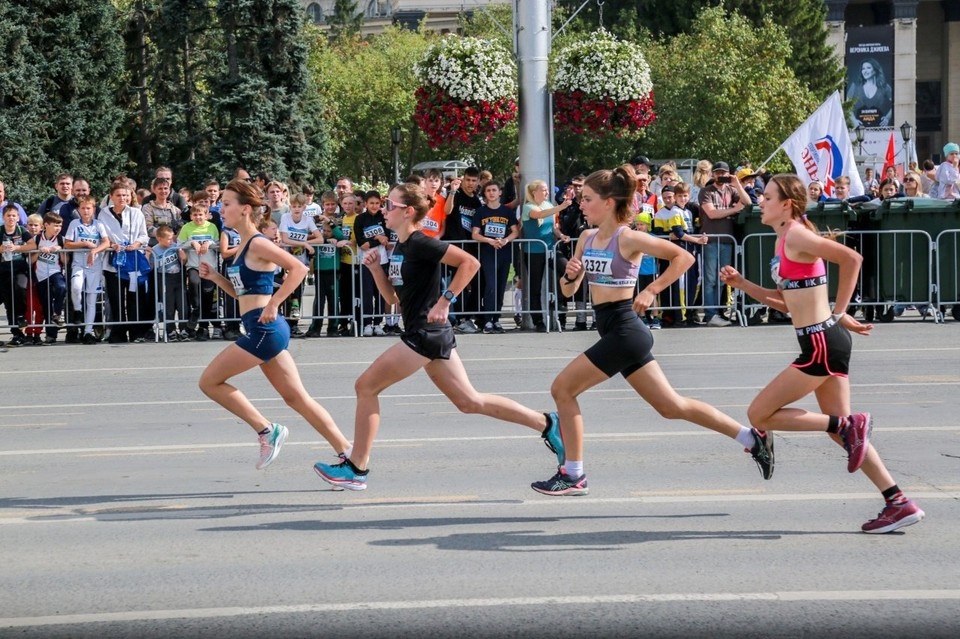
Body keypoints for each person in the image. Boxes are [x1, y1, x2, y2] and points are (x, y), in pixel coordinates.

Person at [530, 165, 773, 496]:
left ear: (609, 202)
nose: (581, 205)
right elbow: (569, 292)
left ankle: (573, 474)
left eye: (587, 199)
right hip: (614, 330)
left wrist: (651, 290)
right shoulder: (586, 238)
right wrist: (571, 276)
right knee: (671, 406)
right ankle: (751, 438)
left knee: (562, 389)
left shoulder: (628, 237)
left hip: (625, 330)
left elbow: (682, 259)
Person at [313, 183, 563, 491]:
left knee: (366, 386)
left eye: (390, 206)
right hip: (427, 332)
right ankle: (548, 424)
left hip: (426, 332)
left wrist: (446, 300)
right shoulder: (401, 247)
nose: (384, 211)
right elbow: (394, 299)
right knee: (469, 401)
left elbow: (470, 263)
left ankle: (357, 468)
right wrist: (377, 270)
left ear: (407, 212)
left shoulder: (421, 242)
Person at [720, 173, 924, 533]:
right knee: (843, 437)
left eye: (766, 197)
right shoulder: (784, 237)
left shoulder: (797, 234)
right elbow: (785, 302)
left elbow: (852, 259)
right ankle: (897, 501)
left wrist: (841, 312)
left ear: (786, 205)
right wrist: (742, 284)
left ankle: (848, 424)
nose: (760, 201)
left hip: (820, 342)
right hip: (825, 340)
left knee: (760, 414)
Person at [197, 179, 352, 471]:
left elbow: (299, 268)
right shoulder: (245, 244)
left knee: (209, 382)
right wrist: (217, 279)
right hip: (263, 328)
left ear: (244, 209)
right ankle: (348, 453)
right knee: (297, 398)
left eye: (227, 203)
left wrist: (274, 303)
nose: (221, 208)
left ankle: (267, 430)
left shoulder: (258, 242)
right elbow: (244, 294)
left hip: (265, 329)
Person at [98, 180, 150, 343]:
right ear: (112, 196)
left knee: (134, 297)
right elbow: (102, 236)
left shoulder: (136, 213)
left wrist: (136, 244)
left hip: (133, 260)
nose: (122, 198)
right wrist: (112, 244)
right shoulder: (103, 214)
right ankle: (118, 331)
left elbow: (144, 235)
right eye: (119, 195)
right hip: (114, 262)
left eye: (125, 195)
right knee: (116, 298)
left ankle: (136, 331)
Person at [698, 161, 750, 327]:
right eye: (718, 172)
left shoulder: (732, 190)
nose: (721, 175)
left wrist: (737, 185)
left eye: (724, 173)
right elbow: (712, 213)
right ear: (713, 174)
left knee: (721, 280)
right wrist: (734, 209)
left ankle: (718, 312)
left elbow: (747, 203)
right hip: (712, 240)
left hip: (727, 240)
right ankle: (711, 314)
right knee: (710, 279)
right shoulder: (706, 191)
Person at [521, 180, 572, 332]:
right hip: (534, 251)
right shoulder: (527, 207)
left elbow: (553, 226)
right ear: (534, 192)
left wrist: (561, 235)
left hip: (550, 247)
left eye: (547, 190)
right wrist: (561, 206)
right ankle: (538, 320)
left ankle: (561, 300)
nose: (547, 192)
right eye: (543, 190)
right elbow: (539, 215)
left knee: (567, 268)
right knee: (535, 286)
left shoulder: (549, 205)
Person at [471, 180, 518, 333]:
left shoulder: (507, 212)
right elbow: (475, 234)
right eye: (488, 190)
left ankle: (497, 319)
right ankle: (488, 320)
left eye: (494, 190)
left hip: (504, 252)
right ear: (484, 194)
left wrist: (505, 240)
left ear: (500, 192)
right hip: (488, 253)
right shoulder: (481, 212)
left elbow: (515, 231)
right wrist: (489, 240)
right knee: (491, 286)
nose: (491, 193)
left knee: (500, 287)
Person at [64, 196, 110, 344]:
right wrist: (83, 243)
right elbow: (67, 244)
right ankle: (77, 310)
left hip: (94, 266)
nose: (86, 211)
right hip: (78, 263)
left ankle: (88, 332)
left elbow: (106, 242)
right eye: (83, 208)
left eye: (88, 208)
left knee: (91, 299)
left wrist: (95, 250)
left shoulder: (98, 225)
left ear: (94, 209)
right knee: (76, 287)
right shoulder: (74, 224)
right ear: (79, 209)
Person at [178, 194, 220, 341]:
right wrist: (192, 243)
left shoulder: (212, 227)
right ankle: (195, 311)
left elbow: (219, 243)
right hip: (194, 265)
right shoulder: (187, 228)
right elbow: (179, 244)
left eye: (201, 214)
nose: (198, 217)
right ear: (191, 216)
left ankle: (202, 327)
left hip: (209, 266)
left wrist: (209, 244)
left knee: (208, 296)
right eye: (195, 215)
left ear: (207, 215)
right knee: (194, 286)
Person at [29, 213, 68, 344]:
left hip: (55, 272)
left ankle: (58, 312)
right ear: (46, 225)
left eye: (60, 225)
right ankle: (51, 335)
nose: (58, 228)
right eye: (55, 225)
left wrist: (60, 250)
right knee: (46, 306)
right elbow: (30, 260)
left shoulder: (61, 239)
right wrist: (40, 251)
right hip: (40, 275)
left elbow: (66, 261)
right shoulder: (37, 238)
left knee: (61, 287)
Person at [148, 225, 187, 341]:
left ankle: (183, 329)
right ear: (160, 239)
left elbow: (184, 260)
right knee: (168, 305)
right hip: (164, 278)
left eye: (172, 238)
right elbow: (151, 266)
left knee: (182, 304)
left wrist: (181, 252)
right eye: (169, 239)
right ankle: (170, 330)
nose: (172, 241)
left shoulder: (175, 247)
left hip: (178, 278)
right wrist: (148, 255)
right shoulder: (155, 250)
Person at [0, 204, 32, 345]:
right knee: (8, 302)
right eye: (8, 215)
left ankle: (21, 317)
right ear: (3, 217)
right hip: (3, 270)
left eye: (14, 215)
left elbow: (33, 245)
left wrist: (18, 247)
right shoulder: (1, 231)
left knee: (20, 290)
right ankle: (16, 333)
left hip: (19, 269)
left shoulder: (21, 230)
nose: (11, 218)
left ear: (18, 218)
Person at [848, 58, 893, 128]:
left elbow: (895, 104)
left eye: (868, 68)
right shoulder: (855, 86)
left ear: (875, 70)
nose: (865, 71)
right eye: (863, 69)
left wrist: (887, 117)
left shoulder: (885, 87)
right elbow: (847, 107)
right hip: (858, 130)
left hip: (879, 129)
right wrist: (854, 120)